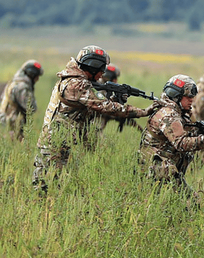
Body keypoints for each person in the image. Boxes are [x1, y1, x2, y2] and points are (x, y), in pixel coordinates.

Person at [32, 45, 157, 192]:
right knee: (49, 189)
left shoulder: (71, 79)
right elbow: (106, 107)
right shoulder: (77, 84)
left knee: (50, 187)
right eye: (101, 69)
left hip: (57, 142)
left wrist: (114, 97)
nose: (102, 73)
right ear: (92, 66)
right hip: (56, 146)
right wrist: (143, 111)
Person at [138, 75, 204, 195]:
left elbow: (190, 134)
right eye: (188, 97)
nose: (192, 100)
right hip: (157, 171)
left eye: (192, 96)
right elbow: (181, 143)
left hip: (167, 170)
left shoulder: (182, 113)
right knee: (188, 204)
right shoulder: (169, 116)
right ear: (176, 96)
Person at [91, 64, 141, 134]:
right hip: (94, 115)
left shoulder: (107, 86)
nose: (116, 80)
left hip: (101, 112)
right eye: (115, 78)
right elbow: (103, 105)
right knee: (96, 131)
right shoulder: (97, 86)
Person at [0, 60, 43, 141]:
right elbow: (31, 107)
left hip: (6, 123)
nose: (37, 79)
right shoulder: (22, 87)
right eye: (36, 76)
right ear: (32, 75)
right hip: (12, 126)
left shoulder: (14, 82)